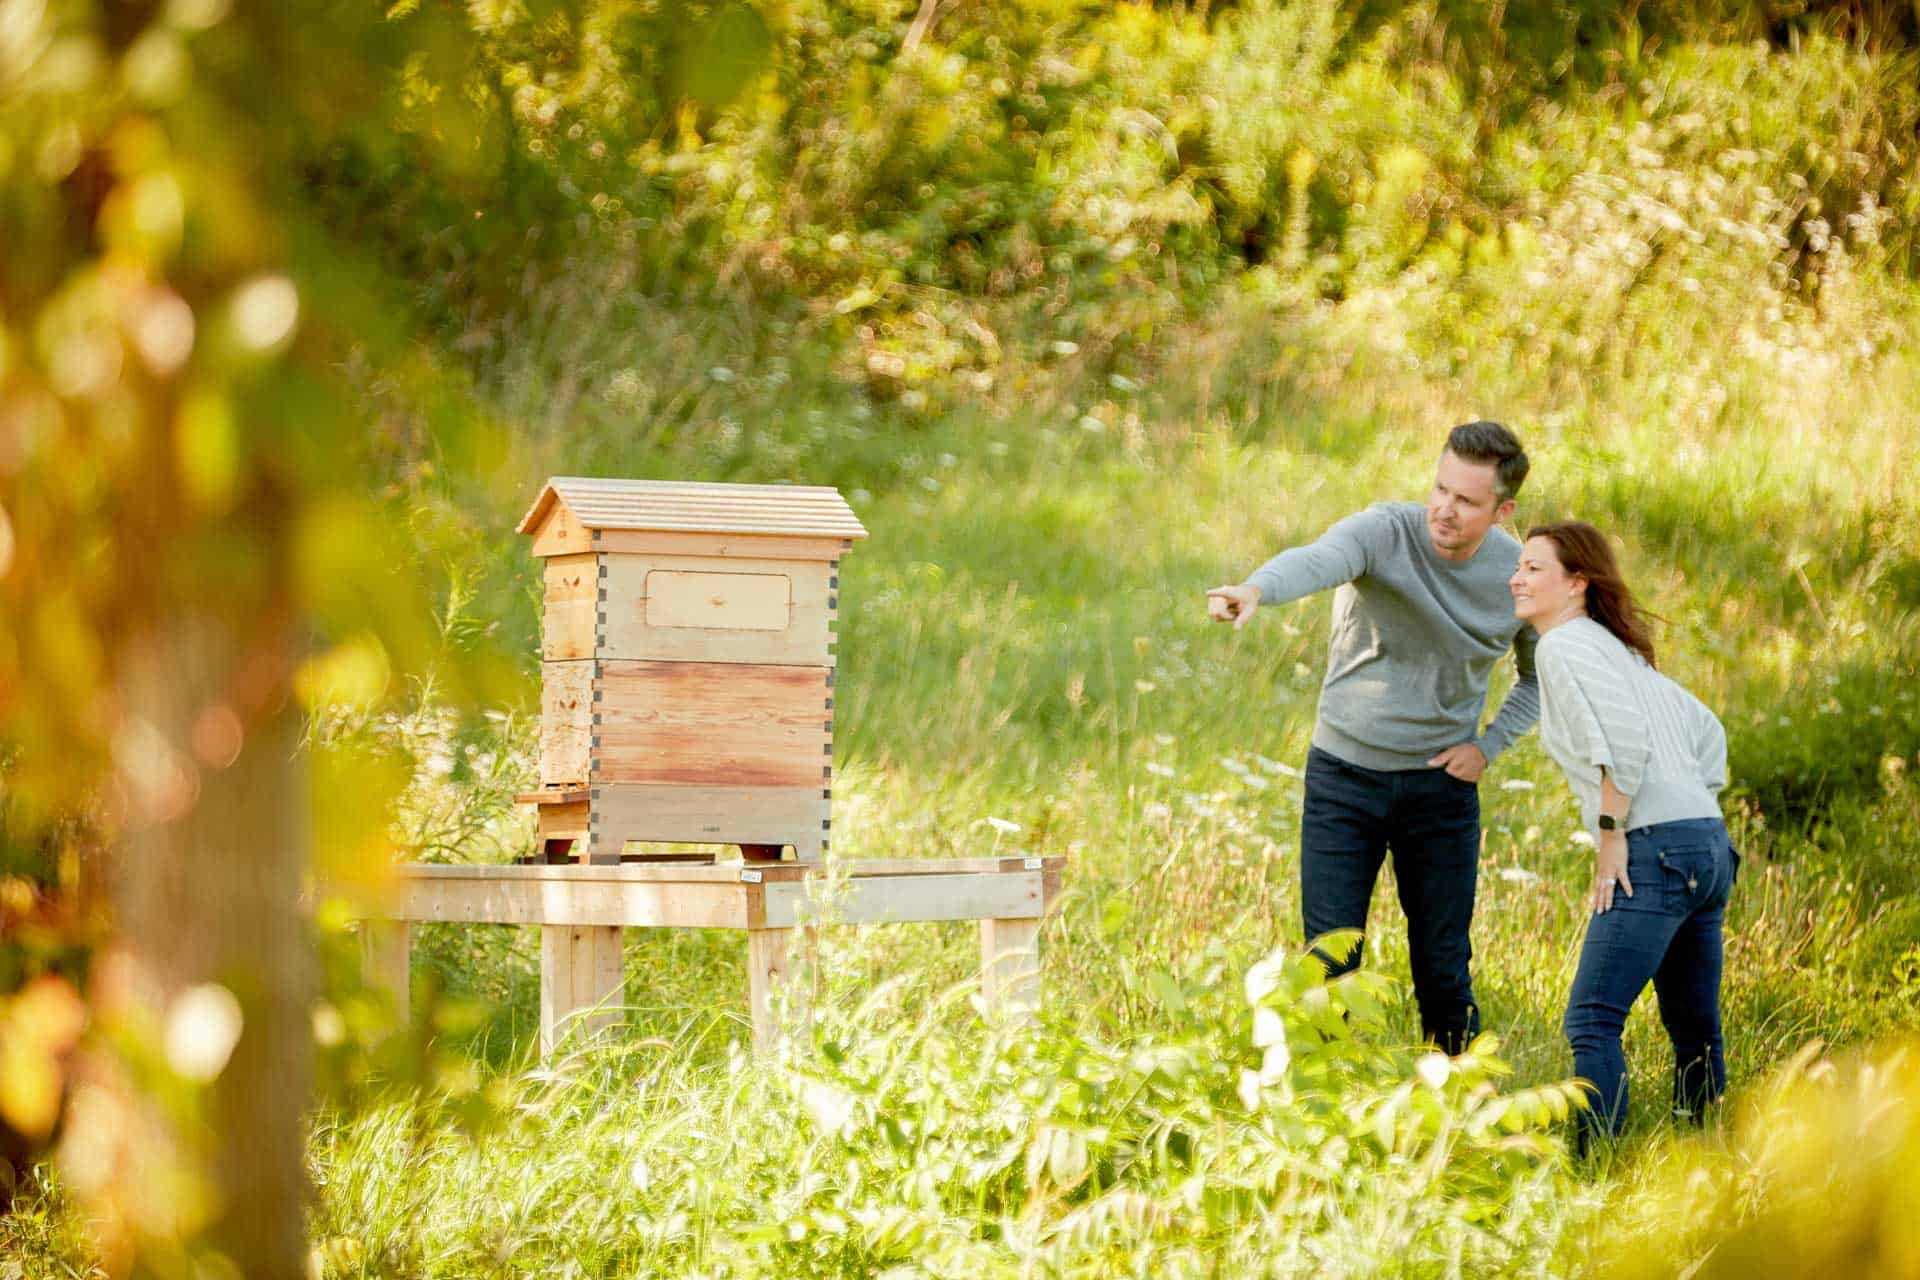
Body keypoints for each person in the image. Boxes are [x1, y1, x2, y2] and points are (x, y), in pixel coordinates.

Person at [1206, 422, 1539, 1054]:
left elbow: (1538, 678)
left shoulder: (1516, 576)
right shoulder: (1385, 531)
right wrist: (1255, 589)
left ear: (1503, 510)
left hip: (1440, 791)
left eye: (1467, 500)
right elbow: (1318, 559)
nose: (1444, 508)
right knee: (1329, 963)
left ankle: (1457, 1112)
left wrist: (1489, 747)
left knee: (1443, 969)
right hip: (1344, 781)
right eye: (1440, 488)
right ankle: (1324, 1113)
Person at [1510, 520, 1734, 1152]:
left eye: (1533, 568)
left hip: (1656, 846)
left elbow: (1625, 745)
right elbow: (1707, 730)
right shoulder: (1620, 650)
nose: (1516, 578)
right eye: (1518, 566)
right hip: (1706, 843)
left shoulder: (1562, 647)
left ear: (1577, 581)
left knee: (1592, 1018)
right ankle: (1705, 1153)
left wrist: (1614, 834)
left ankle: (1598, 1167)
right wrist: (1691, 799)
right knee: (1694, 1027)